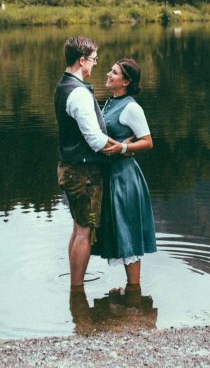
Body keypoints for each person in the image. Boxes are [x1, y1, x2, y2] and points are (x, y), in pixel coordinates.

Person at [54, 36, 123, 292]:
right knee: (84, 232)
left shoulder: (62, 86)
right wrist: (120, 149)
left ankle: (76, 294)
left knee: (77, 228)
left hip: (69, 167)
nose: (95, 65)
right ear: (81, 60)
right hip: (83, 174)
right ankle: (77, 289)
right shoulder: (79, 94)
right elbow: (94, 139)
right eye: (93, 60)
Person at [92, 58, 157, 292]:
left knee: (127, 231)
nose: (108, 74)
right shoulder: (109, 102)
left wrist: (123, 148)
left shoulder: (132, 107)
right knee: (118, 230)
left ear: (126, 81)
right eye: (111, 70)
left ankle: (134, 293)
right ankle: (132, 292)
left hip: (125, 178)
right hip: (110, 176)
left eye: (114, 72)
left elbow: (148, 142)